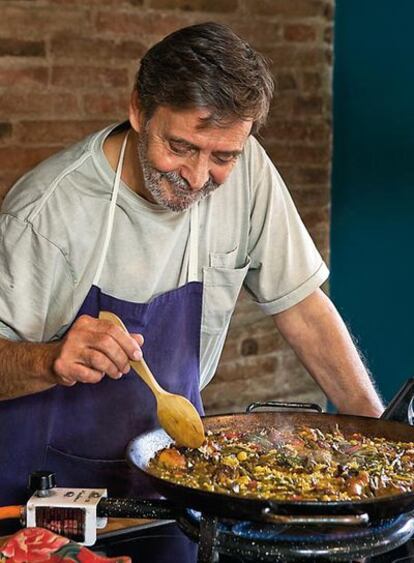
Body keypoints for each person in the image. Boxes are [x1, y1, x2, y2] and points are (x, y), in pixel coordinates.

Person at [0, 22, 383, 505]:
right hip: (50, 488)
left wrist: (378, 431)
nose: (198, 177)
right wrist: (48, 359)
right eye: (180, 147)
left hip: (173, 472)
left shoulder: (249, 171)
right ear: (139, 109)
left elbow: (303, 309)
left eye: (222, 156)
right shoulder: (48, 210)